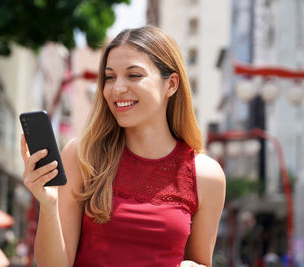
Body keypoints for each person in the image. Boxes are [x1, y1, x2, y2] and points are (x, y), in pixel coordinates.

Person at [21, 25, 226, 267]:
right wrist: (48, 203)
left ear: (170, 84)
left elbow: (199, 263)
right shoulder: (82, 156)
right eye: (109, 77)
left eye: (134, 75)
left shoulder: (206, 177)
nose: (117, 88)